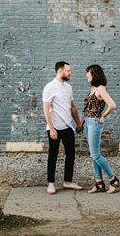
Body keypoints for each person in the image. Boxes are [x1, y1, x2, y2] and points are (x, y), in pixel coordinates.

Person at [42, 61, 84, 194]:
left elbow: (72, 107)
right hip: (54, 128)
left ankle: (67, 181)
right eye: (68, 71)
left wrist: (78, 123)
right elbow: (46, 110)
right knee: (53, 155)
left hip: (68, 127)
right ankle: (51, 183)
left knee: (71, 154)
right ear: (60, 71)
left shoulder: (68, 87)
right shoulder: (49, 87)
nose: (70, 73)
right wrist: (52, 128)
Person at [83, 64, 120, 194]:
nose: (87, 75)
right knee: (94, 154)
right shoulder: (93, 88)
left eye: (88, 73)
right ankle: (99, 183)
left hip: (94, 122)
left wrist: (103, 116)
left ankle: (113, 179)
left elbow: (112, 105)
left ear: (94, 74)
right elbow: (88, 108)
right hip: (88, 123)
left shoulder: (100, 89)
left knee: (95, 154)